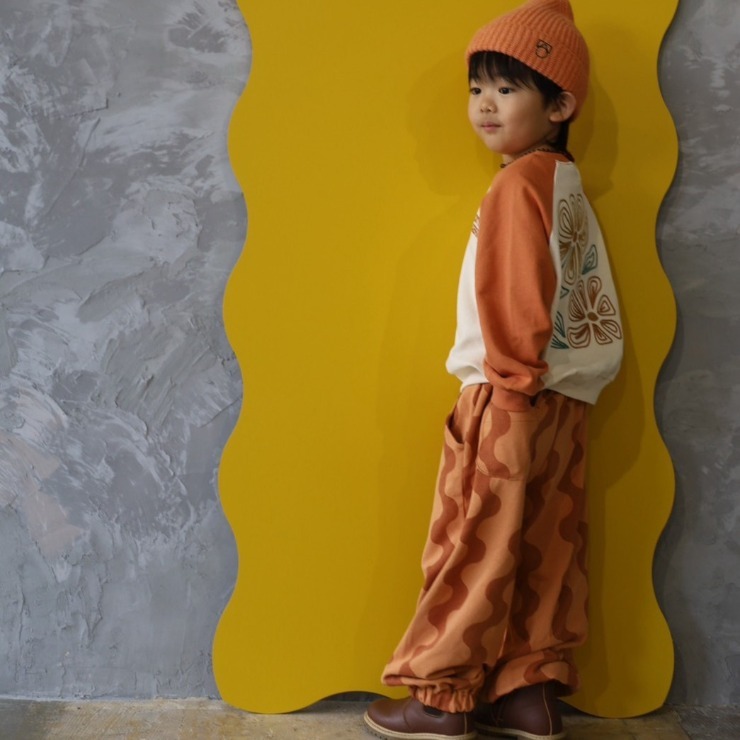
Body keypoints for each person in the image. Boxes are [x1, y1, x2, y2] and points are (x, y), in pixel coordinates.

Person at [363, 1, 623, 739]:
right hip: (566, 402)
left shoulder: (516, 187)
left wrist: (508, 391)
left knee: (472, 545)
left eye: (508, 88)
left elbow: (517, 299)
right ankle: (528, 695)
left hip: (509, 395)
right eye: (477, 87)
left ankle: (440, 697)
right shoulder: (563, 181)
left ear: (560, 106)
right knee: (547, 548)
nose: (485, 103)